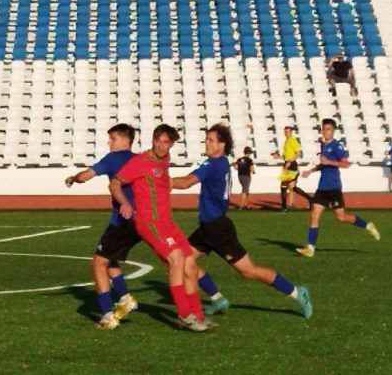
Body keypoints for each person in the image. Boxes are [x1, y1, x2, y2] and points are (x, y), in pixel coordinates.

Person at [171, 124, 313, 319]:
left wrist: (164, 181)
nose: (206, 143)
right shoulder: (221, 162)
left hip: (218, 229)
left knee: (248, 271)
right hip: (207, 227)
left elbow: (187, 182)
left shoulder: (213, 164)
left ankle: (298, 292)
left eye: (211, 140)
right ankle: (217, 299)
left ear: (222, 144)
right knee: (183, 260)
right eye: (206, 139)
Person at [110, 125, 208, 332]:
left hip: (166, 221)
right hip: (149, 222)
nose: (162, 146)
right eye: (159, 141)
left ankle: (198, 315)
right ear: (153, 140)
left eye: (167, 143)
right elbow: (115, 183)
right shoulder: (139, 162)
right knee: (176, 258)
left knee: (190, 264)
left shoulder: (164, 159)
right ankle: (184, 314)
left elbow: (162, 181)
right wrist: (124, 203)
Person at [64, 124, 140, 330]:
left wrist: (73, 178)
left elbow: (87, 175)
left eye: (113, 139)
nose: (109, 143)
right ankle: (124, 298)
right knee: (110, 258)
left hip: (121, 221)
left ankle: (107, 315)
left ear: (125, 140)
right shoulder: (138, 159)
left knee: (97, 263)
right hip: (139, 221)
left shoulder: (113, 159)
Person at [296, 118, 380, 258]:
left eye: (328, 129)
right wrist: (311, 170)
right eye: (323, 129)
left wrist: (328, 161)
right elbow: (324, 164)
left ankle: (368, 225)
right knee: (313, 214)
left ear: (333, 131)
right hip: (322, 188)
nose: (325, 131)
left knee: (341, 217)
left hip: (333, 188)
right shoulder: (323, 145)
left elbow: (345, 163)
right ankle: (310, 248)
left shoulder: (337, 146)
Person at [271, 126, 312, 212]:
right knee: (292, 187)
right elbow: (286, 156)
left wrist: (291, 161)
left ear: (291, 132)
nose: (286, 133)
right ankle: (310, 199)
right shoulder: (286, 141)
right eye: (285, 131)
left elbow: (298, 153)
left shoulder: (293, 140)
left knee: (284, 186)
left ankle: (284, 207)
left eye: (288, 131)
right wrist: (278, 157)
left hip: (291, 165)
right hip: (287, 164)